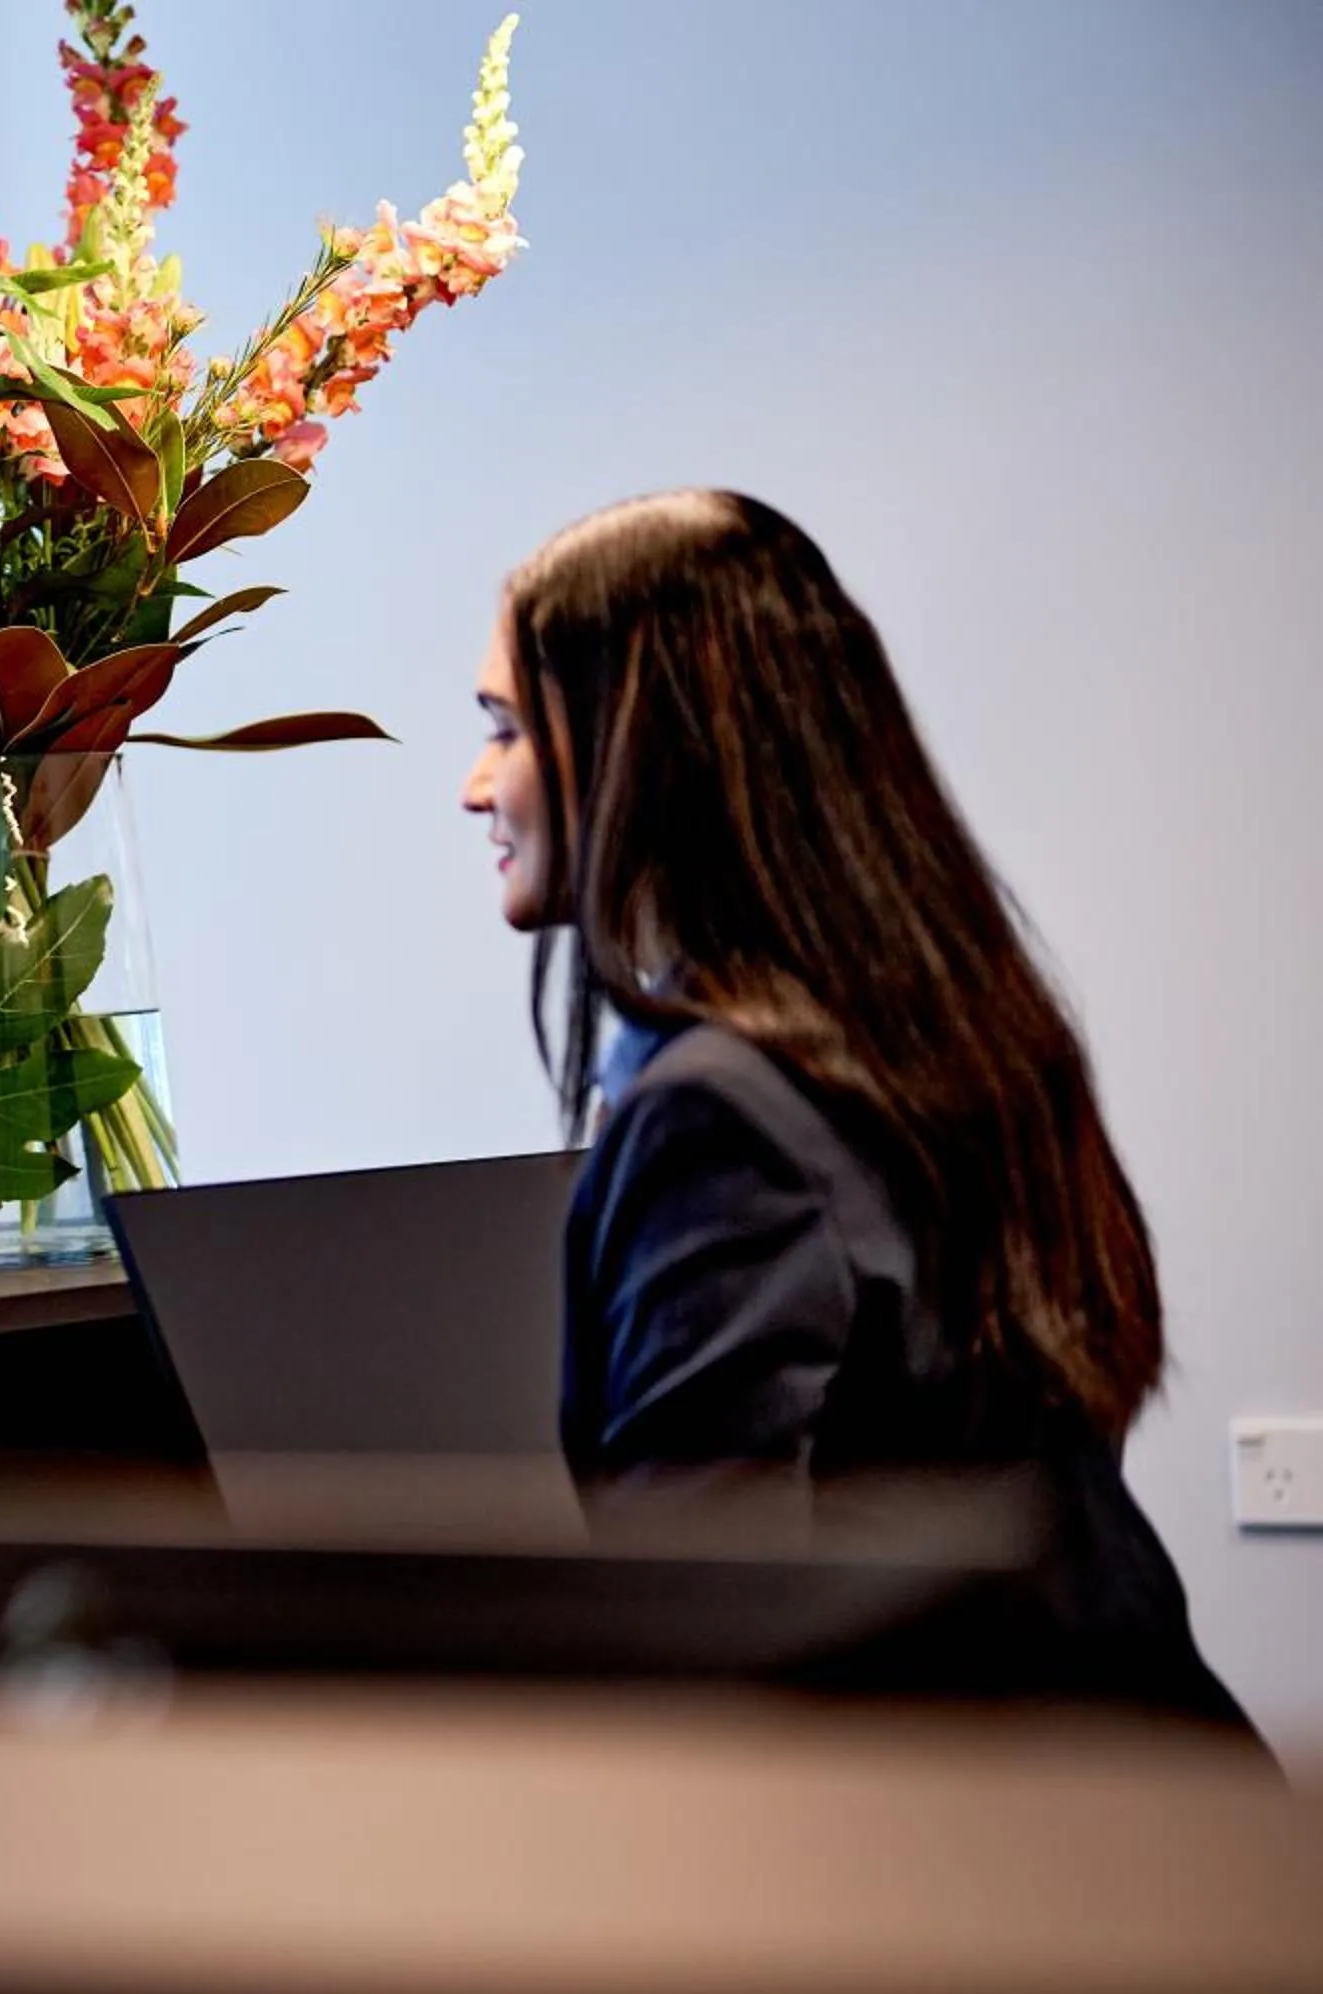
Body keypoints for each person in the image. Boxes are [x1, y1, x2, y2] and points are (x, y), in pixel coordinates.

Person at [461, 488, 1253, 1731]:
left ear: (636, 739)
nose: (473, 785)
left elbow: (709, 1626)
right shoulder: (948, 1040)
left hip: (997, 1863)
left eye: (505, 726)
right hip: (1156, 1801)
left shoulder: (720, 1115)